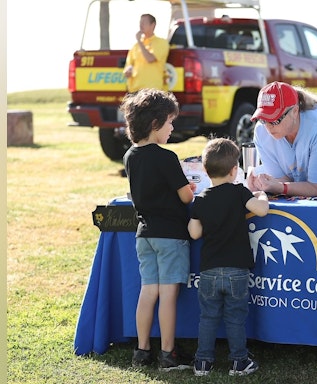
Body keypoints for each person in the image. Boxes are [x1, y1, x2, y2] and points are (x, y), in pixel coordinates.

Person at [121, 88, 197, 370]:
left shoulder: (130, 156)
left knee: (147, 292)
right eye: (169, 122)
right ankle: (168, 354)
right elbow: (186, 197)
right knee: (168, 295)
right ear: (155, 125)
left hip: (145, 234)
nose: (172, 127)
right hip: (170, 236)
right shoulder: (166, 158)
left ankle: (142, 352)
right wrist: (190, 188)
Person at [187, 138, 269, 377]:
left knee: (208, 317)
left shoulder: (201, 198)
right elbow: (261, 210)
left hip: (210, 270)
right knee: (235, 317)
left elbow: (194, 233)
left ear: (205, 170)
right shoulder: (239, 192)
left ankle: (202, 362)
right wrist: (261, 195)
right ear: (235, 171)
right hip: (237, 269)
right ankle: (239, 362)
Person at [123, 14, 170, 92]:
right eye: (140, 22)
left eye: (144, 22)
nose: (141, 25)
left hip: (153, 90)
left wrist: (140, 42)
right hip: (136, 90)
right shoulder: (135, 46)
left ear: (153, 25)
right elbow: (128, 66)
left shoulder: (161, 43)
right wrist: (127, 71)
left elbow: (150, 58)